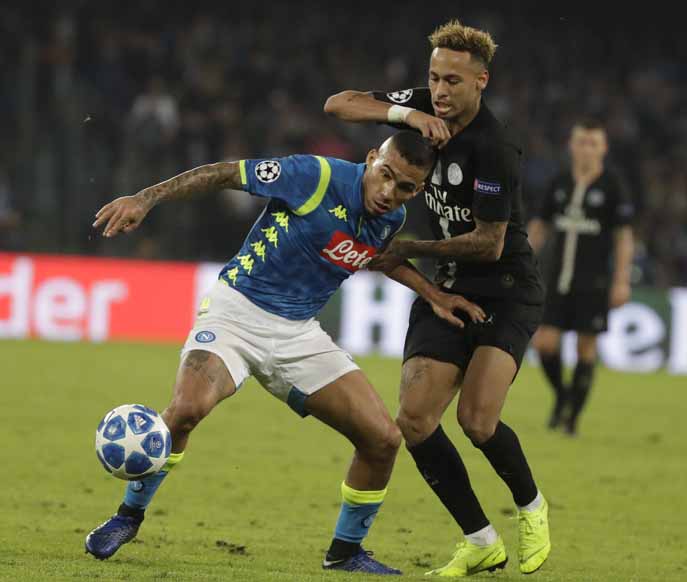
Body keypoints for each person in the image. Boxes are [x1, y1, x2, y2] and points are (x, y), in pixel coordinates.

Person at [85, 131, 485, 575]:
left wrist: (433, 294)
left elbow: (382, 259)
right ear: (372, 159)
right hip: (235, 314)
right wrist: (146, 198)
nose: (389, 193)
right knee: (186, 409)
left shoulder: (390, 220)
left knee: (383, 440)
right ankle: (127, 517)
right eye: (385, 175)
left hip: (298, 335)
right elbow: (224, 174)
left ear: (420, 189)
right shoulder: (315, 176)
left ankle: (345, 552)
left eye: (406, 187)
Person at [325, 19, 550, 576]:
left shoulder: (494, 150)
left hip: (505, 289)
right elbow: (339, 105)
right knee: (416, 420)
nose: (441, 90)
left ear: (482, 81)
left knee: (477, 420)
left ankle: (531, 506)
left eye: (453, 80)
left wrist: (406, 248)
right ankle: (479, 540)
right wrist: (408, 113)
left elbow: (490, 242)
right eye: (433, 78)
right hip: (445, 285)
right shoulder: (426, 107)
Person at [528, 118, 635, 435]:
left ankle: (572, 417)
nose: (586, 148)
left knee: (585, 349)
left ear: (603, 148)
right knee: (545, 344)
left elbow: (623, 236)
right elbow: (540, 225)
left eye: (593, 143)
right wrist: (520, 259)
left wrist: (621, 279)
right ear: (571, 146)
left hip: (594, 281)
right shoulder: (559, 182)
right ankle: (562, 396)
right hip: (556, 277)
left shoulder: (613, 186)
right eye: (581, 142)